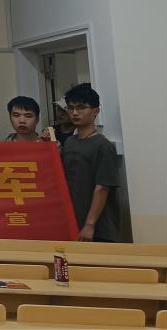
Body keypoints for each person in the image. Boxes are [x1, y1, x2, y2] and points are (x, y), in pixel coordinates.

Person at [46, 84, 121, 242]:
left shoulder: (102, 145)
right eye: (70, 108)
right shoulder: (70, 142)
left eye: (81, 107)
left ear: (96, 111)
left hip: (98, 227)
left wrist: (89, 224)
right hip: (72, 221)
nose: (74, 113)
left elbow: (102, 188)